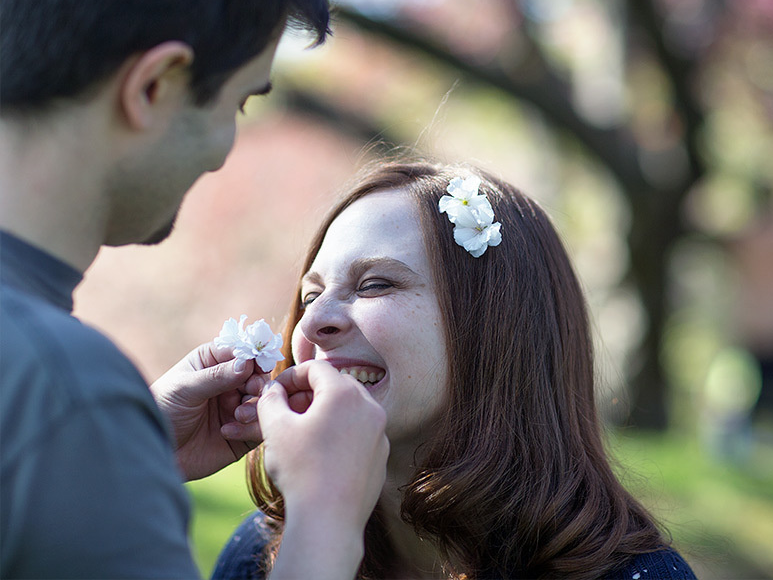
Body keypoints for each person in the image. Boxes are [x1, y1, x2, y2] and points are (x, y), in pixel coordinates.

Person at [0, 0, 388, 578]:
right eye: (237, 104)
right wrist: (325, 515)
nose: (223, 154)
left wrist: (133, 449)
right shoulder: (62, 390)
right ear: (155, 86)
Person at [213, 161, 697, 579]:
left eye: (375, 284)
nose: (314, 323)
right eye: (310, 295)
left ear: (495, 322)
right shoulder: (263, 554)